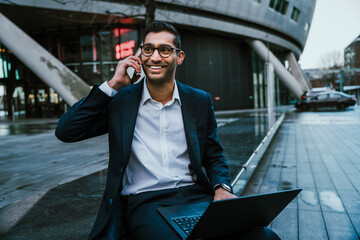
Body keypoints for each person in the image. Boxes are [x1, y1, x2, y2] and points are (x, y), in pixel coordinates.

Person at [56, 22, 279, 240]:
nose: (155, 57)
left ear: (179, 57)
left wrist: (221, 188)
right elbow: (66, 131)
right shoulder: (121, 102)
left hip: (196, 195)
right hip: (146, 203)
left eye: (164, 50)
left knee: (264, 236)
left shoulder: (199, 100)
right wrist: (113, 84)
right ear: (140, 56)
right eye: (148, 49)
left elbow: (214, 155)